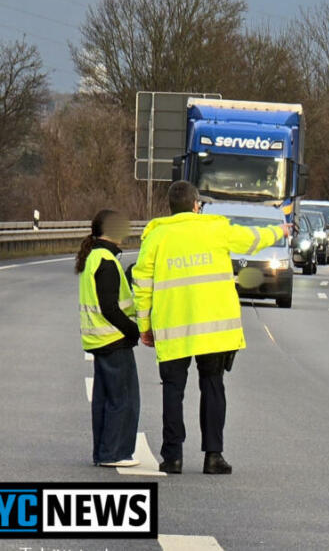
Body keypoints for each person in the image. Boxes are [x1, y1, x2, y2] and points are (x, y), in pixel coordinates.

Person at [133, 181, 290, 475]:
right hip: (214, 331)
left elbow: (142, 284)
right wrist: (279, 231)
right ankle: (213, 456)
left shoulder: (156, 237)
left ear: (170, 208)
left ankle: (173, 457)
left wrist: (145, 325)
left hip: (172, 328)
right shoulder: (216, 229)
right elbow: (252, 239)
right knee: (213, 387)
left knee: (172, 391)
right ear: (196, 205)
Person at [75, 209, 140, 468]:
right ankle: (114, 453)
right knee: (123, 400)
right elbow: (110, 307)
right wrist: (133, 331)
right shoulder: (106, 261)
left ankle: (103, 453)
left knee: (105, 400)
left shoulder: (94, 257)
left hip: (99, 340)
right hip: (113, 340)